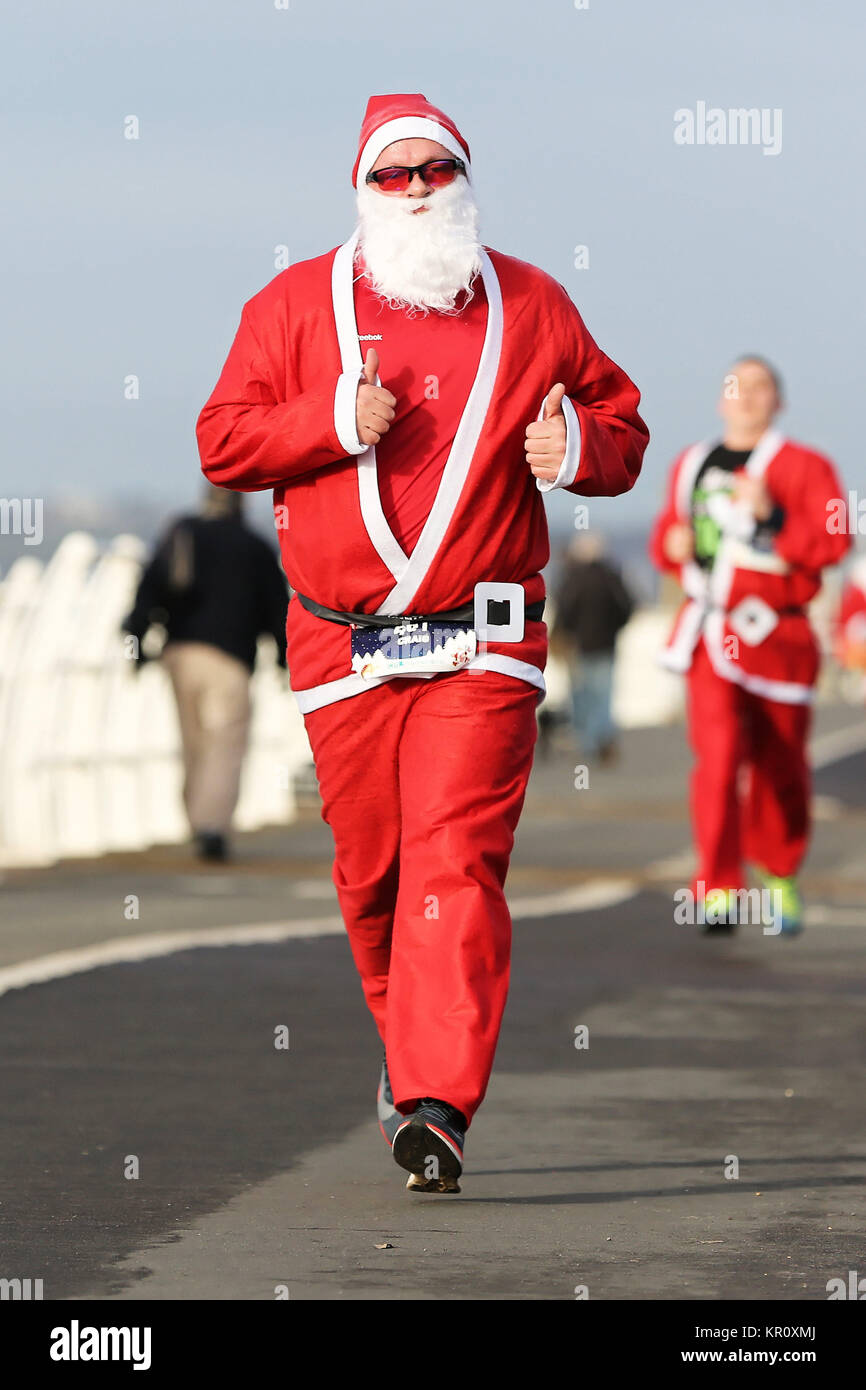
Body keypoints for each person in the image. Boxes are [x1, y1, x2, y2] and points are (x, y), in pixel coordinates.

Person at [197, 92, 648, 1192]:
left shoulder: (532, 301)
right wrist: (325, 423)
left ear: (462, 181)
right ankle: (411, 1066)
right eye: (392, 175)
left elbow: (623, 426)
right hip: (341, 643)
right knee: (374, 874)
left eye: (432, 171)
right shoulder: (293, 304)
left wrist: (576, 442)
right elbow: (220, 441)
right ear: (361, 188)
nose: (414, 191)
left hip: (482, 640)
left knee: (453, 859)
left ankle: (438, 1099)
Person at [649, 356, 850, 935]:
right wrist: (671, 542)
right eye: (736, 385)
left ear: (777, 401)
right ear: (721, 399)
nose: (746, 396)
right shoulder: (692, 462)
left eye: (760, 386)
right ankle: (716, 885)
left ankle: (780, 871)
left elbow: (834, 544)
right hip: (711, 633)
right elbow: (668, 534)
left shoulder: (807, 466)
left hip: (780, 636)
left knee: (781, 765)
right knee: (717, 759)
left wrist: (774, 515)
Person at [122, 483, 289, 862]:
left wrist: (137, 640)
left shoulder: (183, 532)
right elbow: (277, 609)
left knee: (193, 741)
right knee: (224, 745)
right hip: (230, 660)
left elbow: (150, 587)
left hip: (180, 654)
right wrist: (284, 659)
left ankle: (196, 820)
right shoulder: (255, 546)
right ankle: (211, 825)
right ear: (241, 503)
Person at [554, 532, 634, 761]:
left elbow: (565, 609)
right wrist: (616, 628)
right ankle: (602, 738)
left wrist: (563, 633)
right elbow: (627, 606)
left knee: (581, 694)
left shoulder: (574, 578)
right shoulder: (611, 577)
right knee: (604, 695)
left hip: (579, 646)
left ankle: (586, 742)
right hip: (607, 644)